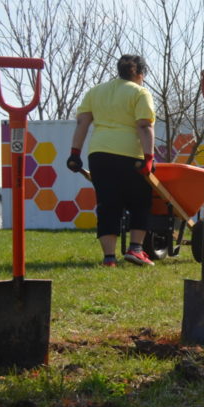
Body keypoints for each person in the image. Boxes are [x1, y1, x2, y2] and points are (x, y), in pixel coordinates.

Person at [66, 54, 157, 267]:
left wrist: (74, 153)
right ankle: (135, 249)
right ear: (140, 74)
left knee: (108, 204)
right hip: (129, 155)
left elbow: (82, 123)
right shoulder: (140, 92)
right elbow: (144, 126)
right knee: (140, 201)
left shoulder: (95, 92)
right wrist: (149, 158)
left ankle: (109, 258)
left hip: (99, 155)